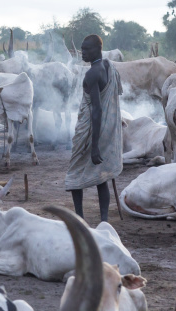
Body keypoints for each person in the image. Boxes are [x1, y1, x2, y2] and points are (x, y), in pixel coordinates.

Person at [65, 34, 123, 222]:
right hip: (107, 129)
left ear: (98, 49)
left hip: (91, 130)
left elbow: (97, 110)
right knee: (101, 176)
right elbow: (116, 93)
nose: (83, 53)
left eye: (87, 49)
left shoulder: (92, 73)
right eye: (82, 49)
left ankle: (80, 218)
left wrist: (94, 145)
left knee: (74, 175)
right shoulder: (109, 66)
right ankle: (104, 220)